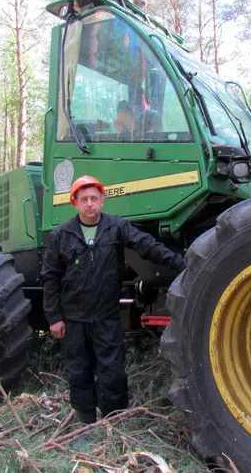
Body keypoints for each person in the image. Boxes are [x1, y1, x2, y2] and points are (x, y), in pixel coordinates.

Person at [41, 175, 185, 424]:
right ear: (74, 202)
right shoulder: (61, 236)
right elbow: (50, 278)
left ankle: (114, 422)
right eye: (84, 199)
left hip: (106, 317)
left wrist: (183, 264)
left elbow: (147, 245)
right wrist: (54, 318)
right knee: (79, 373)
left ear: (102, 201)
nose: (90, 204)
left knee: (114, 372)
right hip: (73, 319)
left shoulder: (116, 227)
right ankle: (85, 423)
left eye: (94, 198)